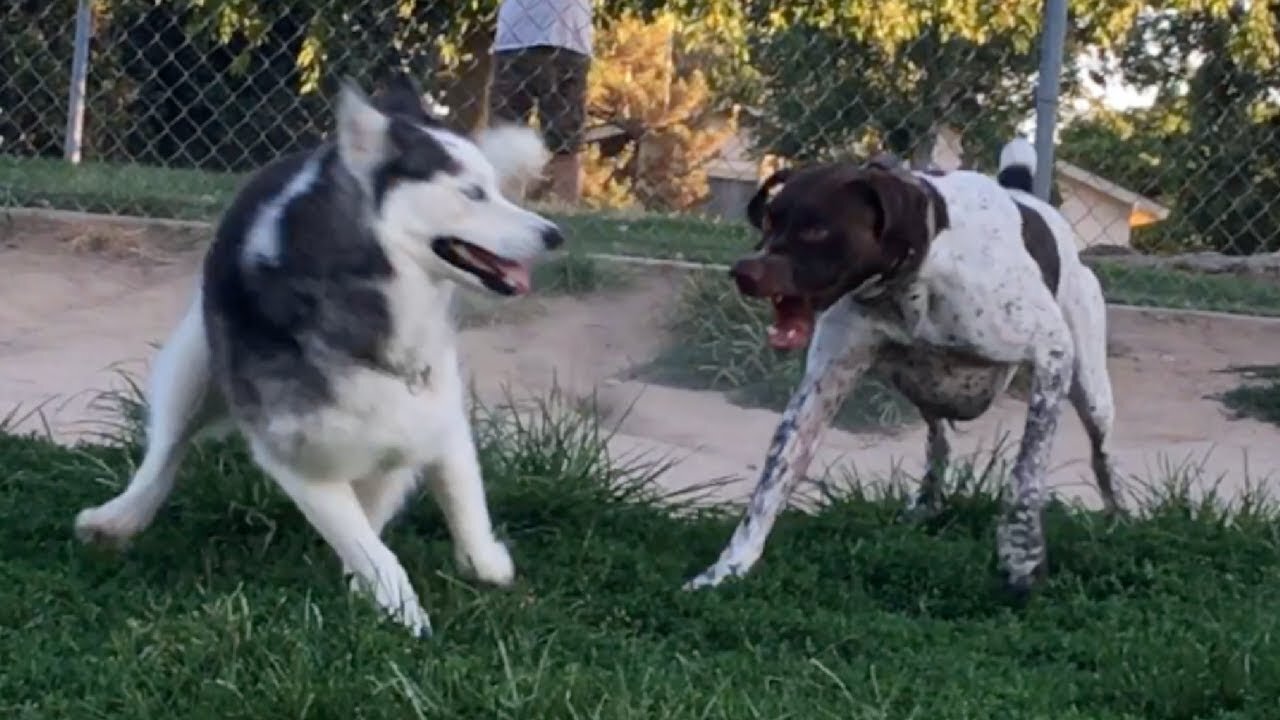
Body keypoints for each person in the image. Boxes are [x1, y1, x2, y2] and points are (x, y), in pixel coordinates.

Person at [489, 0, 593, 204]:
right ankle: (508, 203)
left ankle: (567, 208)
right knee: (508, 136)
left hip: (556, 40)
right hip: (537, 39)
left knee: (563, 141)